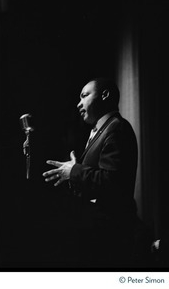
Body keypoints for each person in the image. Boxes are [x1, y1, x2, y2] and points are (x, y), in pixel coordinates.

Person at [43, 77, 138, 267]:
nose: (79, 104)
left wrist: (75, 171)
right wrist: (74, 169)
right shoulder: (102, 129)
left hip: (110, 235)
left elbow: (113, 182)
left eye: (85, 95)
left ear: (105, 95)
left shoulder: (116, 128)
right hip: (96, 232)